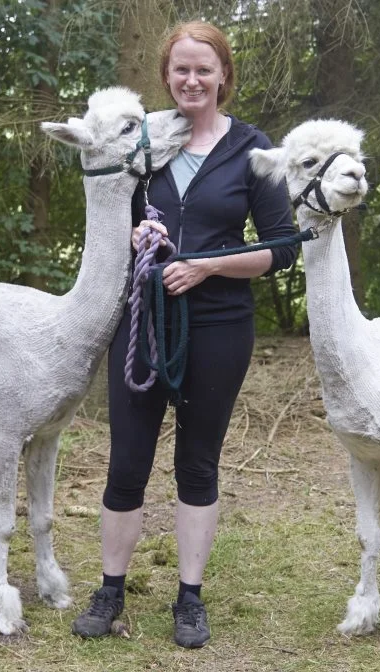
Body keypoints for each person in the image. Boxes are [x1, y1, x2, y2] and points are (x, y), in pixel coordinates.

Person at [71, 21, 298, 649]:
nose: (191, 80)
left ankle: (189, 599)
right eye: (180, 70)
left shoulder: (254, 151)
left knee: (197, 464)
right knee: (127, 463)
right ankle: (110, 588)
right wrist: (136, 237)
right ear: (166, 77)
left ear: (224, 73)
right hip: (144, 321)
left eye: (204, 69)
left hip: (221, 325)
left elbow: (280, 251)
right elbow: (110, 214)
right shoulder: (146, 141)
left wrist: (208, 264)